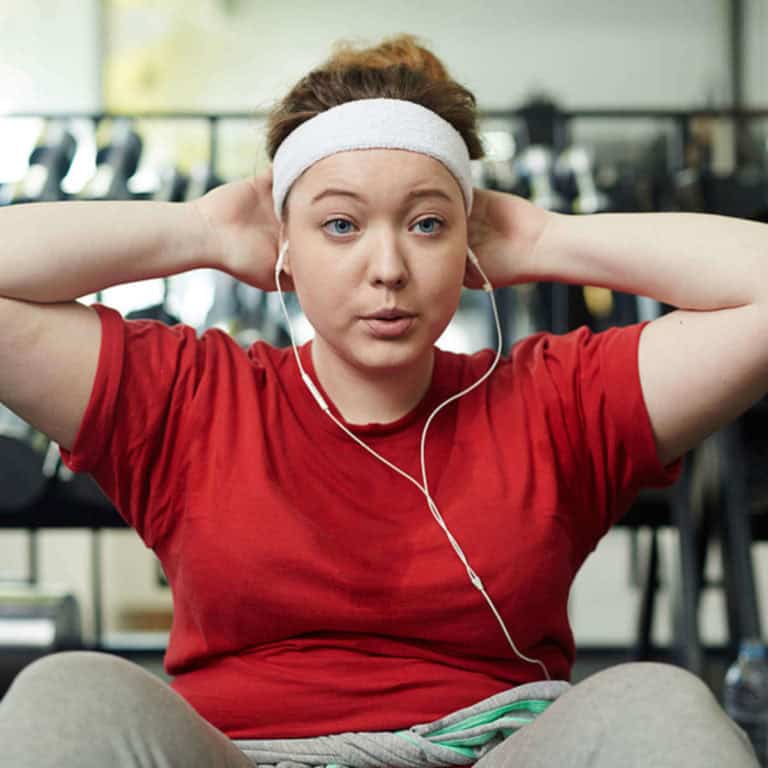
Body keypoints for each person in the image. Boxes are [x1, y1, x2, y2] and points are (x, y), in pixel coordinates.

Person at [0, 32, 764, 768]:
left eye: (427, 223)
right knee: (68, 694)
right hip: (238, 755)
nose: (389, 266)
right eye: (340, 225)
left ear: (468, 239)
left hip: (494, 753)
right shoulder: (190, 397)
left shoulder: (557, 401)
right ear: (285, 246)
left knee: (656, 700)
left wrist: (545, 241)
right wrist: (197, 229)